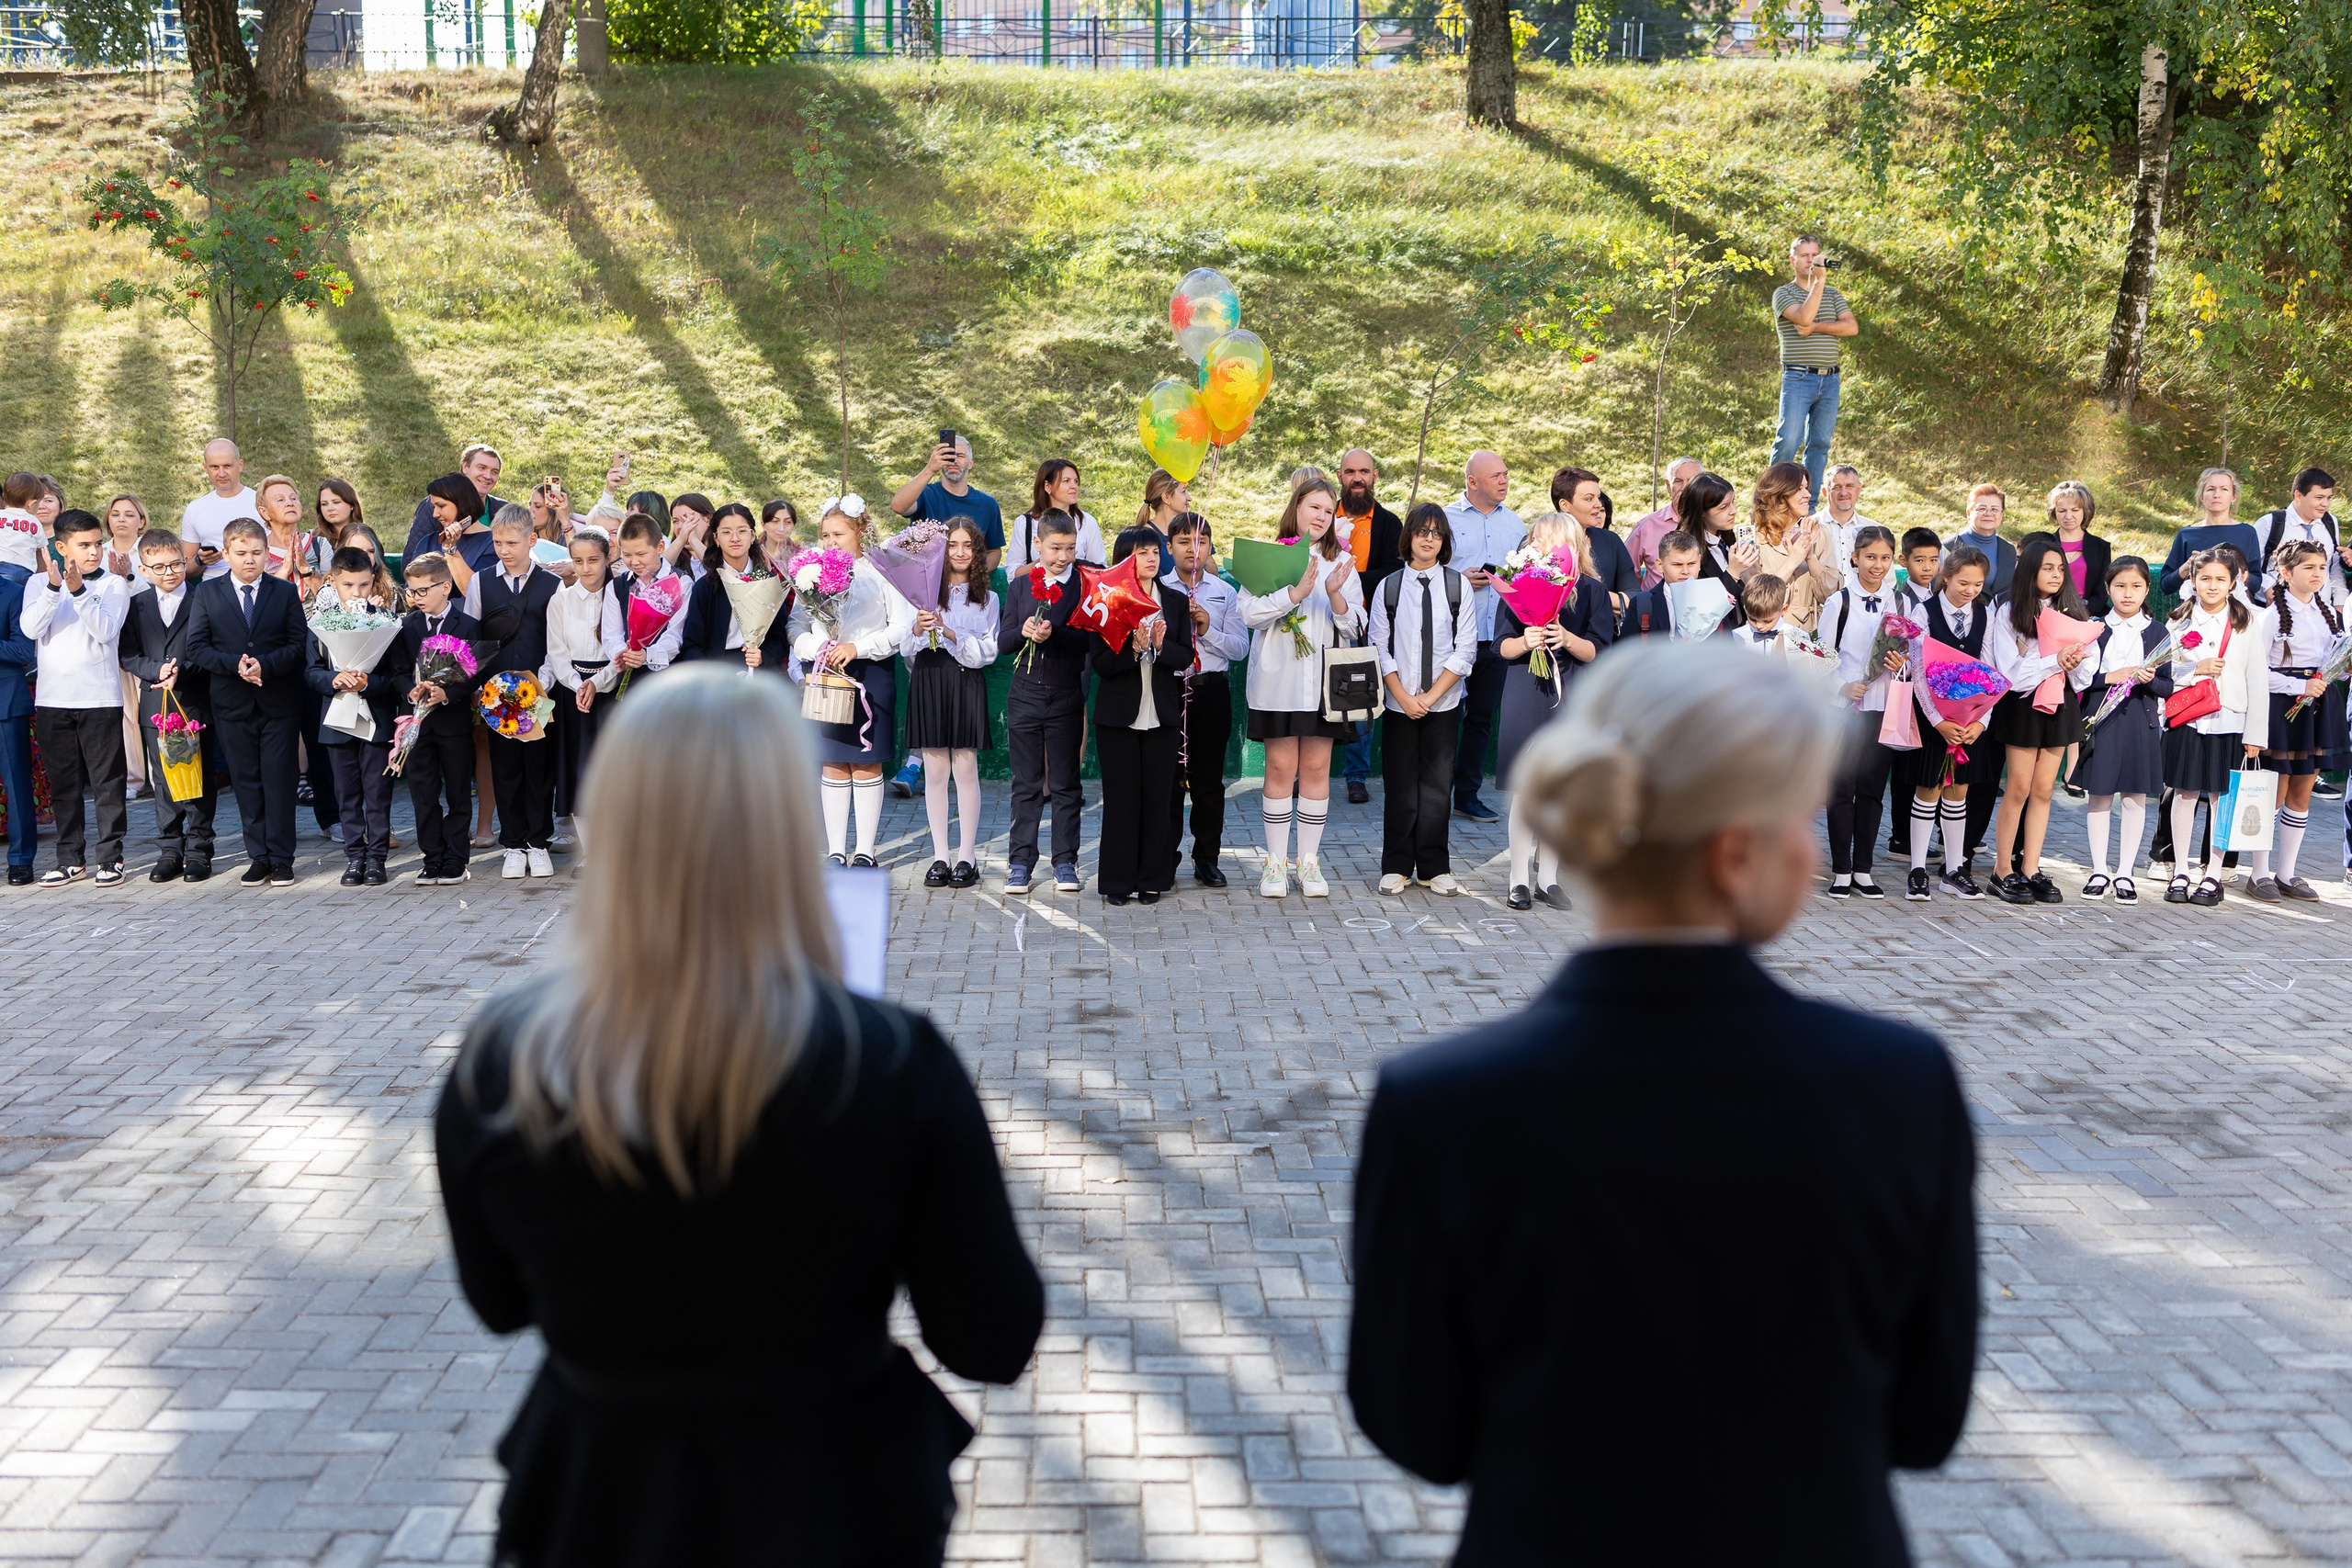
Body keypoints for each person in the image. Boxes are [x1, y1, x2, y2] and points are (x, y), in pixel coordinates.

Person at [1348, 639, 1975, 1565]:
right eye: (1798, 818)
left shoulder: (1438, 1103)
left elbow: (1418, 1426)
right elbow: (1925, 1422)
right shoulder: (1897, 1084)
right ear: (1733, 855)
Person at [434, 667, 1043, 1568]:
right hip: (833, 1498)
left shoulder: (507, 1061)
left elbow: (498, 1302)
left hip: (599, 1496)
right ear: (785, 825)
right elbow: (990, 1335)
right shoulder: (888, 1061)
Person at [1241, 478, 1363, 898]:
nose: (1321, 516)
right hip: (1278, 683)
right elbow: (1249, 615)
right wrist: (1294, 594)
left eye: (1329, 511)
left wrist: (1334, 596)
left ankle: (1308, 863)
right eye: (1314, 507)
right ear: (1296, 508)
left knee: (1315, 770)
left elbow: (1355, 627)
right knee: (1279, 769)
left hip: (1323, 685)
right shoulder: (1269, 556)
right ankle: (1275, 864)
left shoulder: (1341, 563)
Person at [790, 498, 917, 869]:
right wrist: (820, 646)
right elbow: (795, 626)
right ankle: (834, 850)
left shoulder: (880, 570)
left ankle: (865, 850)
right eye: (825, 535)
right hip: (827, 672)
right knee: (831, 763)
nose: (831, 542)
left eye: (839, 534)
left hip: (870, 673)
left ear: (860, 531)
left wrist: (858, 647)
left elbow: (900, 626)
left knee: (865, 764)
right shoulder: (808, 571)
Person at [1496, 513, 1614, 910]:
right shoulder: (1517, 584)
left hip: (1572, 692)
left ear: (1572, 545)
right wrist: (1526, 639)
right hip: (1526, 691)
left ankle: (1548, 879)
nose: (1542, 547)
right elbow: (1500, 647)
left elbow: (1599, 650)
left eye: (1549, 541)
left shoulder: (1594, 591)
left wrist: (1566, 637)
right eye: (1537, 539)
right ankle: (1518, 879)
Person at [185, 516, 308, 886]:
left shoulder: (283, 592)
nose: (249, 560)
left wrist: (265, 666)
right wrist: (234, 665)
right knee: (246, 781)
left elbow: (298, 645)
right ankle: (258, 857)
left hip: (278, 703)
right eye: (241, 553)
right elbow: (196, 647)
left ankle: (282, 857)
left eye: (256, 552)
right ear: (225, 553)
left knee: (279, 781)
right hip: (231, 703)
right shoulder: (207, 593)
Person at [1368, 503, 1476, 897]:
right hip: (1399, 704)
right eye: (1422, 531)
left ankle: (1434, 866)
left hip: (1442, 703)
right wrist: (1402, 696)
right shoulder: (1389, 587)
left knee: (1436, 785)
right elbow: (1379, 647)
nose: (1428, 538)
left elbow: (1464, 650)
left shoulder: (1457, 585)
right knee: (1399, 784)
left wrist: (1430, 696)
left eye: (1436, 533)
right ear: (1409, 537)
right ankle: (1396, 865)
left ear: (1444, 540)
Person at [24, 511, 132, 886]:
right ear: (60, 547)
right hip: (53, 700)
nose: (93, 552)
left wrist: (79, 592)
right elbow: (30, 628)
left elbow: (105, 632)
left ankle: (110, 857)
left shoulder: (113, 585)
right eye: (84, 545)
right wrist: (55, 590)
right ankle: (70, 858)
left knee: (107, 781)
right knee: (64, 783)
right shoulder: (38, 583)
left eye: (97, 544)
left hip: (100, 698)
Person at [1984, 538, 2093, 906]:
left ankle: (2031, 868)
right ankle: (2002, 869)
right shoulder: (2010, 611)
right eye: (2048, 567)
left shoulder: (2075, 612)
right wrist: (2052, 661)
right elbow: (2010, 673)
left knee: (2044, 790)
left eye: (2060, 568)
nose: (2055, 574)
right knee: (2017, 788)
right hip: (2022, 706)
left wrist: (2071, 664)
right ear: (2030, 570)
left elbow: (2086, 673)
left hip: (2061, 703)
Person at [1090, 527, 1192, 906]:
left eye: (1153, 552)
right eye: (1140, 553)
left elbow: (1185, 658)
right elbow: (1100, 664)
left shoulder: (1175, 602)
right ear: (1123, 559)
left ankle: (1153, 879)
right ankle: (1117, 881)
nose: (1150, 559)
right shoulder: (1109, 600)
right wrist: (1134, 649)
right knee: (1121, 801)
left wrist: (1162, 647)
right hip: (1118, 718)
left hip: (1162, 717)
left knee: (1158, 801)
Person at [2161, 548, 2266, 907]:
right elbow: (2165, 671)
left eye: (2221, 579)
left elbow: (2257, 678)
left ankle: (2214, 873)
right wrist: (2196, 669)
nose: (2212, 585)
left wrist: (2255, 734)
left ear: (2233, 582)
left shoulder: (2247, 621)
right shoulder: (2177, 621)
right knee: (2184, 792)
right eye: (2204, 578)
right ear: (2192, 580)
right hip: (2189, 718)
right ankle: (2179, 870)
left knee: (2223, 796)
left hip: (2231, 718)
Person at [465, 505, 562, 880]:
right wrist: (478, 685)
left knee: (538, 768)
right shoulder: (481, 581)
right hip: (497, 695)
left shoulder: (553, 585)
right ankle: (514, 844)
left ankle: (539, 843)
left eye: (512, 542)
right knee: (504, 767)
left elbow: (556, 641)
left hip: (539, 691)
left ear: (531, 540)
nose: (504, 549)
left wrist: (541, 684)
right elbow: (474, 639)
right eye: (497, 542)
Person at [305, 548, 411, 887]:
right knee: (346, 793)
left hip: (375, 721)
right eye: (349, 585)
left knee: (377, 792)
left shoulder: (385, 622)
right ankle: (354, 857)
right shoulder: (320, 625)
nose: (357, 593)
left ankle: (377, 858)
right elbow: (310, 672)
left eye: (364, 585)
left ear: (373, 580)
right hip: (337, 721)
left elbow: (397, 677)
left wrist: (369, 683)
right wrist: (333, 680)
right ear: (333, 582)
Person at [998, 512, 1090, 897]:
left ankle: (1065, 862)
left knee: (1067, 784)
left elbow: (1088, 642)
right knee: (1026, 784)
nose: (1063, 557)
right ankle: (1020, 863)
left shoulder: (1085, 585)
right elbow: (1003, 642)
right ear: (1037, 544)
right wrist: (1023, 631)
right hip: (1025, 695)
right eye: (1055, 548)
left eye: (1070, 549)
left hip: (1067, 694)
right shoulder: (1022, 586)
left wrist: (1056, 634)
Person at [2247, 540, 2345, 900]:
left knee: (2303, 788)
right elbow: (2256, 670)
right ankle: (2259, 873)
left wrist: (2342, 671)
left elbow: (2332, 661)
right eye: (2308, 567)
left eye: (2321, 567)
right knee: (2276, 789)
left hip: (2318, 705)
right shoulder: (2270, 616)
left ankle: (2287, 872)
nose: (2317, 573)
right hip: (2282, 706)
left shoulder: (2330, 614)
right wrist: (2297, 684)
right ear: (2286, 573)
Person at [119, 528, 217, 883]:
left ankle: (199, 850)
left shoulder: (203, 597)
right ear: (143, 569)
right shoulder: (136, 604)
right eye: (158, 567)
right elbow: (128, 654)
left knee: (195, 779)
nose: (169, 572)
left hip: (192, 703)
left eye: (175, 564)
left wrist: (181, 671)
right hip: (154, 705)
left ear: (186, 560)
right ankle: (170, 850)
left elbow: (209, 648)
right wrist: (155, 671)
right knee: (162, 782)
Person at [904, 519, 998, 890]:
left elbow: (988, 651)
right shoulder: (923, 594)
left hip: (964, 680)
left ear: (976, 552)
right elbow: (905, 648)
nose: (959, 552)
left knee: (965, 766)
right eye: (952, 545)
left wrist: (952, 633)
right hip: (929, 678)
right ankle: (940, 855)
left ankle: (967, 856)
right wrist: (917, 629)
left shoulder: (987, 598)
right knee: (936, 771)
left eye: (967, 545)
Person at [1817, 525, 1905, 898]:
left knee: (1871, 788)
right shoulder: (1840, 603)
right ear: (1854, 557)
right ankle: (1840, 869)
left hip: (1882, 706)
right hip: (1843, 709)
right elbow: (1819, 658)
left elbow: (1914, 658)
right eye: (1870, 557)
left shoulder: (1900, 604)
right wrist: (1841, 685)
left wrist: (1901, 665)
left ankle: (1864, 869)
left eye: (1885, 558)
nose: (1877, 565)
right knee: (1841, 787)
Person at [1904, 547, 1996, 901]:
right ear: (1946, 577)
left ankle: (1954, 869)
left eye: (1978, 584)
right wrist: (1939, 721)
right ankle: (1917, 870)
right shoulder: (1923, 612)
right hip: (1934, 720)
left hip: (1969, 720)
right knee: (1928, 789)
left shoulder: (1985, 614)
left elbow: (1989, 670)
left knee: (1959, 792)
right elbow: (1919, 671)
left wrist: (1982, 721)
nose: (1970, 590)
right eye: (1963, 583)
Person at [2075, 558, 2169, 904]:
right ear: (2108, 588)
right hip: (2102, 721)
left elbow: (2168, 686)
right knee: (2099, 796)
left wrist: (2150, 680)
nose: (2127, 594)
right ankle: (2099, 870)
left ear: (2147, 589)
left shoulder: (2158, 632)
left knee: (2134, 798)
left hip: (2140, 723)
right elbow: (2080, 681)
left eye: (2136, 586)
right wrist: (2112, 677)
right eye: (2120, 586)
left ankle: (2126, 873)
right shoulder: (2095, 629)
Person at [1163, 513, 1246, 888]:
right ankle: (1165, 856)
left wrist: (1208, 628)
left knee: (1208, 781)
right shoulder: (1157, 588)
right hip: (1170, 689)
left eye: (1200, 542)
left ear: (1210, 547)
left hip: (1210, 690)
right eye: (1183, 542)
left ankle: (1206, 858)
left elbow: (1240, 648)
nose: (1192, 549)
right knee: (1169, 780)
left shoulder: (1225, 592)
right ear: (1169, 548)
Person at [1442, 451, 1524, 823]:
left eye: (1506, 474)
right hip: (1453, 634)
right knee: (1443, 716)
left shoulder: (1517, 525)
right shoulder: (1444, 519)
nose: (1504, 481)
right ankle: (1434, 792)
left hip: (1497, 637)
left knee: (1479, 719)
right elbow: (1425, 570)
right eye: (1496, 476)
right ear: (1472, 481)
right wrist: (1462, 580)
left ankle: (1467, 795)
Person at [399, 554, 483, 887]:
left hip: (453, 723)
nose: (417, 597)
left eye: (423, 590)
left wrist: (447, 694)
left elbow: (475, 673)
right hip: (418, 725)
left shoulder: (467, 625)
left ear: (445, 587)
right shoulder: (407, 627)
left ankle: (456, 857)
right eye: (412, 591)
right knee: (423, 791)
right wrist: (411, 691)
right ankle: (431, 856)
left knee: (459, 790)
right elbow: (397, 671)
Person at [540, 528, 623, 862]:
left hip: (612, 688)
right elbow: (557, 651)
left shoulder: (621, 596)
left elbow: (623, 649)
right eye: (578, 561)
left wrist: (598, 682)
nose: (586, 568)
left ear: (607, 557)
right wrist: (578, 685)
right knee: (577, 767)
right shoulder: (561, 599)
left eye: (593, 560)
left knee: (611, 766)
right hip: (573, 693)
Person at [1338, 448, 1406, 804]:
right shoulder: (1320, 516)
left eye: (1364, 471)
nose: (1357, 478)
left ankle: (1356, 776)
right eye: (1350, 472)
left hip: (1367, 625)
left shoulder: (1389, 524)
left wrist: (1346, 581)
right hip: (1321, 622)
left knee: (1362, 701)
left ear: (1375, 476)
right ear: (1340, 477)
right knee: (1313, 695)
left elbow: (1392, 574)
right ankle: (1305, 770)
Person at [1770, 235, 1859, 495]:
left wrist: (1816, 328)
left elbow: (1851, 327)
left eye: (1815, 255)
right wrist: (1818, 282)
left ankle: (1807, 504)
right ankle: (1774, 499)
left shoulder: (1833, 294)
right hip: (1798, 377)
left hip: (1829, 380)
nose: (1811, 260)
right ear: (1793, 260)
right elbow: (1803, 316)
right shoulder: (1784, 293)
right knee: (1788, 441)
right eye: (1805, 255)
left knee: (1819, 444)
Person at [678, 504, 793, 676]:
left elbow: (779, 638)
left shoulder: (768, 581)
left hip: (758, 669)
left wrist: (764, 656)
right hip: (715, 670)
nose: (734, 538)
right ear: (716, 538)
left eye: (741, 531)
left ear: (752, 535)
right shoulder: (706, 586)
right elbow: (691, 643)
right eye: (726, 532)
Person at [1738, 463, 1839, 632]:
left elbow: (1832, 595)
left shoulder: (1818, 533)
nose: (1808, 495)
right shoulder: (1752, 540)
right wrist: (1793, 561)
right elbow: (1757, 601)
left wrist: (1810, 558)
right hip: (1767, 636)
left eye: (1806, 488)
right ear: (1779, 495)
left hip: (1811, 636)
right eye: (1799, 489)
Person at [891, 434, 1006, 574]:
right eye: (948, 456)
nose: (953, 461)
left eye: (960, 456)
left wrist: (972, 574)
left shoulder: (988, 504)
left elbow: (994, 551)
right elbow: (898, 506)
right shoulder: (925, 494)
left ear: (970, 463)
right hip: (924, 581)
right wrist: (930, 469)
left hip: (967, 587)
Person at [99, 495, 151, 799]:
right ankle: (133, 779)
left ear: (141, 521)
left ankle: (162, 777)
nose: (121, 519)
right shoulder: (99, 552)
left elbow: (155, 589)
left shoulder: (149, 549)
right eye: (115, 514)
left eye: (129, 514)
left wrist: (127, 577)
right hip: (113, 640)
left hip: (146, 638)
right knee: (127, 712)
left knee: (152, 709)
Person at [610, 513, 691, 686]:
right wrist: (622, 653)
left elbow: (676, 634)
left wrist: (648, 654)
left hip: (668, 679)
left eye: (641, 554)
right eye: (627, 555)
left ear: (660, 546)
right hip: (627, 676)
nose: (634, 561)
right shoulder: (617, 586)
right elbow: (612, 634)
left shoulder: (681, 583)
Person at [2158, 468, 2262, 599]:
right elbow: (2166, 586)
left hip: (2235, 612)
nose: (2217, 494)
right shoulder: (2186, 534)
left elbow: (2257, 584)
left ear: (2234, 496)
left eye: (2224, 489)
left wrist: (2244, 576)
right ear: (2201, 496)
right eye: (2211, 489)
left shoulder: (2247, 532)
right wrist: (2186, 567)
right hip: (2194, 611)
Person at [1550, 467, 1636, 616]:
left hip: (1604, 635)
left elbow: (1633, 595)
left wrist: (1596, 593)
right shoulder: (1540, 541)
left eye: (1598, 497)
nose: (1598, 504)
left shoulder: (1610, 540)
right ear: (1564, 505)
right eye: (1589, 499)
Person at [402, 442, 507, 566]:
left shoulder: (504, 509)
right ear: (465, 467)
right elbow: (411, 559)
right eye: (482, 468)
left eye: (494, 472)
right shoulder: (430, 508)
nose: (488, 476)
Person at [2019, 480, 2112, 618]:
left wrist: (2079, 613)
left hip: (2089, 616)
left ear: (2085, 511)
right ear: (2054, 512)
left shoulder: (2101, 547)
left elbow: (2102, 592)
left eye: (2075, 510)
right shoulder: (2042, 544)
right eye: (2062, 511)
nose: (2068, 516)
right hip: (2045, 614)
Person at [2254, 466, 2345, 606]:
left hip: (2322, 611)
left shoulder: (2330, 522)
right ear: (2298, 496)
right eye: (2319, 497)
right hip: (2279, 610)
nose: (2325, 504)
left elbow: (2333, 567)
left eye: (2328, 498)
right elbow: (2249, 566)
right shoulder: (2270, 524)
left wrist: (2340, 603)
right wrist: (2268, 587)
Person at [1672, 469, 1748, 628]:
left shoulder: (1727, 539)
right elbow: (1700, 612)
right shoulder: (1684, 552)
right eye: (1724, 507)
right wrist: (1733, 573)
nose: (1733, 510)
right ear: (1701, 513)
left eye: (1733, 502)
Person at [1003, 458, 1104, 574]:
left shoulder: (1087, 522)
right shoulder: (1025, 523)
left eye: (1076, 481)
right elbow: (1013, 573)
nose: (1074, 486)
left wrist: (1072, 560)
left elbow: (1100, 570)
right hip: (1037, 590)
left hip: (1076, 590)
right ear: (1047, 486)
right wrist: (1043, 562)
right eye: (1066, 481)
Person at [178, 438, 257, 581]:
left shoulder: (260, 502)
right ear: (205, 468)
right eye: (214, 467)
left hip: (258, 583)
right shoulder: (195, 509)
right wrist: (200, 560)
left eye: (227, 466)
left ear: (240, 465)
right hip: (214, 586)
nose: (221, 474)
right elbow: (185, 568)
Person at [1625, 456, 1702, 585]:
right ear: (1668, 486)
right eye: (1678, 481)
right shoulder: (1646, 526)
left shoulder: (1713, 523)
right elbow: (1627, 572)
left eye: (1691, 480)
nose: (1685, 487)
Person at [424, 471, 500, 592]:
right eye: (433, 507)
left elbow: (475, 592)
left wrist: (450, 549)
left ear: (462, 503)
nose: (435, 514)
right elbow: (410, 596)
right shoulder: (428, 541)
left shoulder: (494, 543)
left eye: (441, 506)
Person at [1622, 530, 1705, 638]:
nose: (1685, 571)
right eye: (1677, 565)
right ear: (1660, 565)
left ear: (1699, 562)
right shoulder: (1642, 604)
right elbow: (1626, 650)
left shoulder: (1713, 601)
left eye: (1691, 564)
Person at [1943, 482, 2018, 600]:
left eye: (1994, 509)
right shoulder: (1948, 547)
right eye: (1982, 508)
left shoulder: (2009, 550)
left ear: (2002, 513)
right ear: (1969, 513)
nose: (1988, 513)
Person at [1813, 464, 1882, 591]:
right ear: (1824, 492)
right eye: (1836, 487)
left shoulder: (1877, 530)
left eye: (1849, 486)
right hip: (1820, 607)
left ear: (1859, 489)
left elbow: (1886, 578)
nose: (1844, 492)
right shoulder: (1809, 527)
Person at [0, 472, 47, 579]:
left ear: (4, 497)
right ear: (32, 504)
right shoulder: (34, 522)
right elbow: (42, 548)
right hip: (22, 571)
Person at [760, 497, 801, 564]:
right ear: (763, 525)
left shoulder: (801, 555)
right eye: (775, 521)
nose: (781, 529)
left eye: (788, 522)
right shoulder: (752, 554)